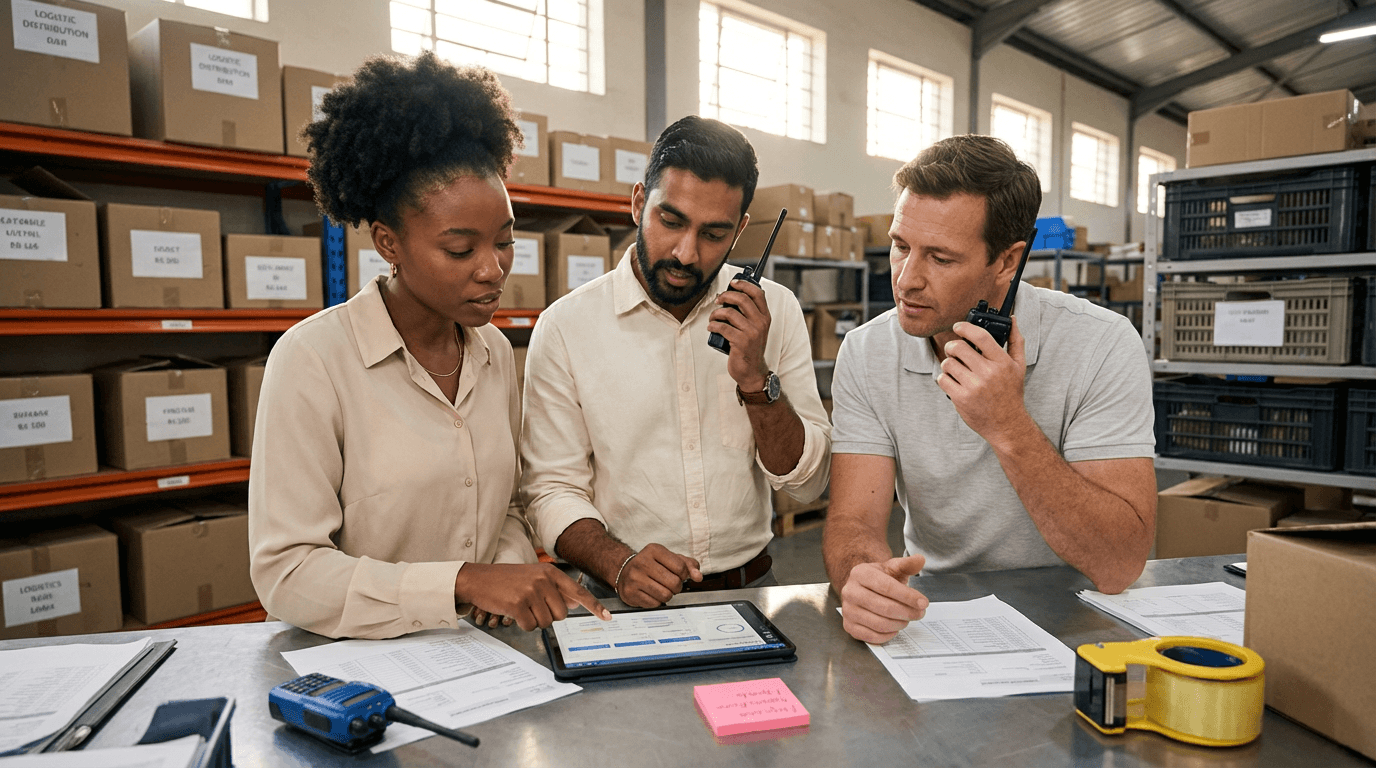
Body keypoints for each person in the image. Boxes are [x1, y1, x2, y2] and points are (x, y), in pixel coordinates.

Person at [248, 52, 609, 639]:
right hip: (352, 667)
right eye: (461, 250)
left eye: (505, 241)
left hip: (477, 653)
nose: (494, 270)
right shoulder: (313, 360)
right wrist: (461, 582)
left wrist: (513, 576)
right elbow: (288, 574)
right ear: (389, 243)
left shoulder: (493, 354)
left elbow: (506, 512)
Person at [821, 135, 1156, 644]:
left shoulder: (1101, 344)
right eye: (900, 247)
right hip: (938, 619)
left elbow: (1119, 563)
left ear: (1007, 261)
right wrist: (862, 578)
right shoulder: (868, 352)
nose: (906, 280)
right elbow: (853, 521)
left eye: (941, 258)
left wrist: (1008, 426)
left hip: (1081, 619)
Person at [520, 116, 832, 608]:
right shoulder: (565, 327)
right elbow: (551, 489)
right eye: (671, 221)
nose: (686, 254)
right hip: (618, 599)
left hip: (751, 594)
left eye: (713, 234)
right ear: (639, 202)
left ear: (741, 230)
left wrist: (755, 379)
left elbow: (807, 484)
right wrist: (617, 563)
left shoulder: (776, 310)